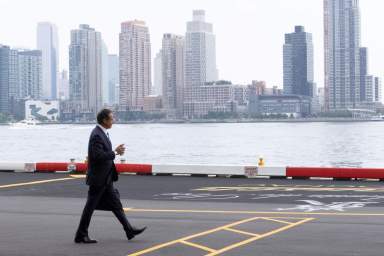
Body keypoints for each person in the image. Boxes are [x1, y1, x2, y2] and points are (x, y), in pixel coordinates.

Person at [74, 108, 146, 244]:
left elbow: (102, 154)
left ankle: (129, 230)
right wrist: (115, 152)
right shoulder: (97, 134)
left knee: (116, 205)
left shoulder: (103, 133)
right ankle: (81, 235)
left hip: (106, 178)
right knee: (89, 208)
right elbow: (97, 156)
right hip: (98, 179)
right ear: (104, 120)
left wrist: (115, 152)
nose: (113, 121)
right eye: (111, 118)